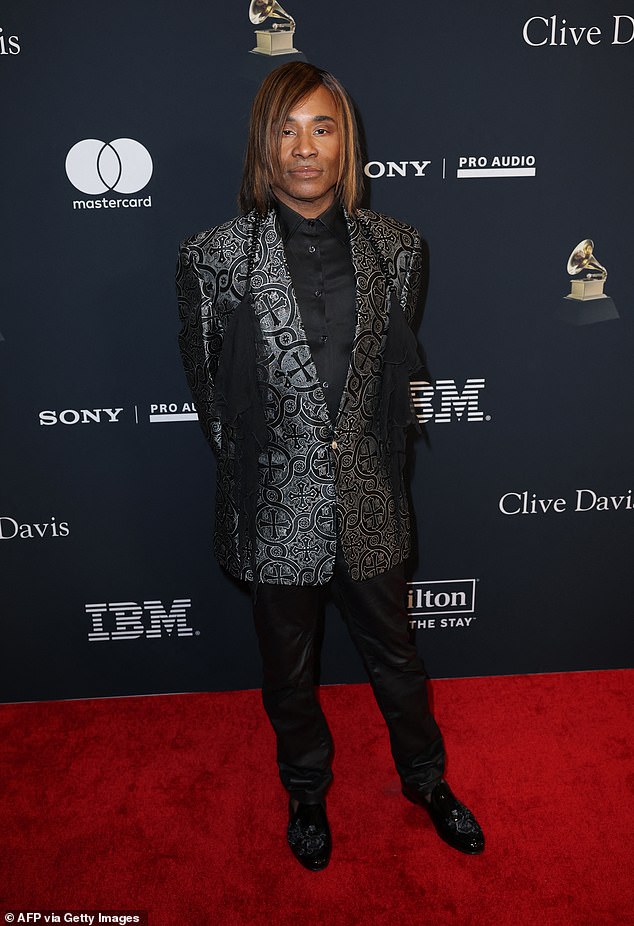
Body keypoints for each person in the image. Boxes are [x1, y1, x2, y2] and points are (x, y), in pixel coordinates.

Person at [176, 61, 484, 871]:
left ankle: (427, 781)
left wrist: (355, 464)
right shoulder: (215, 258)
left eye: (322, 127)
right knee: (289, 669)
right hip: (274, 506)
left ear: (347, 143)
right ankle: (306, 790)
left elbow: (384, 388)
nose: (305, 147)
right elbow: (212, 401)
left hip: (371, 498)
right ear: (263, 145)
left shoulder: (399, 248)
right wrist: (279, 469)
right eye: (286, 128)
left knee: (398, 658)